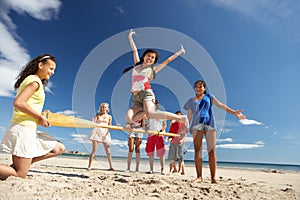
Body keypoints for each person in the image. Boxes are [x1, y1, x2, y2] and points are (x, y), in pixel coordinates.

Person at [0, 54, 65, 180]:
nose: (52, 73)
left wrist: (41, 115)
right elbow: (19, 103)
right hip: (23, 129)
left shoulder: (32, 80)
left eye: (53, 70)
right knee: (20, 174)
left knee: (58, 148)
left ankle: (19, 166)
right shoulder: (35, 82)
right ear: (40, 65)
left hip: (28, 128)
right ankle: (18, 168)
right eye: (50, 68)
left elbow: (27, 105)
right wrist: (40, 118)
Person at [184, 80, 246, 184]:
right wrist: (185, 127)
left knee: (212, 152)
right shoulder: (191, 100)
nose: (198, 88)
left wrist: (233, 112)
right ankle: (199, 177)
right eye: (197, 86)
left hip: (210, 125)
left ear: (204, 88)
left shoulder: (209, 97)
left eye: (201, 86)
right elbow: (189, 115)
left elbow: (221, 105)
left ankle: (213, 178)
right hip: (196, 126)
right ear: (194, 88)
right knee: (197, 151)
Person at [124, 29, 188, 125]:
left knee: (150, 113)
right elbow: (134, 50)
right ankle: (134, 124)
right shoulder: (137, 65)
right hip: (136, 97)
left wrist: (180, 51)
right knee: (129, 116)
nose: (150, 58)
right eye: (148, 56)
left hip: (146, 93)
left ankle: (180, 118)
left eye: (152, 57)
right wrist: (130, 37)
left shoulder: (152, 70)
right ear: (144, 57)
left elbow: (167, 61)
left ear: (154, 61)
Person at [88, 103, 115, 171]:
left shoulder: (109, 116)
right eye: (102, 107)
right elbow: (93, 122)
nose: (103, 108)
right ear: (101, 108)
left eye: (105, 107)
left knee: (108, 151)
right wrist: (94, 119)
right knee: (94, 150)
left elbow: (110, 126)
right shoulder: (98, 115)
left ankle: (111, 166)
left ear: (107, 108)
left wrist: (116, 126)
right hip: (97, 132)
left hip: (105, 133)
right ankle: (89, 166)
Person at [145, 100, 167, 175]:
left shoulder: (160, 113)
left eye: (154, 104)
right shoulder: (148, 115)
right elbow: (146, 125)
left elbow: (164, 125)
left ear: (157, 105)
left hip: (159, 135)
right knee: (150, 153)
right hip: (151, 135)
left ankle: (163, 169)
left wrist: (161, 131)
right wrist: (147, 130)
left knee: (161, 153)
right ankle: (151, 169)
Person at [167, 111, 187, 175]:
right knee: (172, 157)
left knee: (180, 157)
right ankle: (175, 170)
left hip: (180, 142)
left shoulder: (183, 124)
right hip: (173, 141)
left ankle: (180, 171)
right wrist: (169, 137)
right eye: (176, 116)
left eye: (179, 116)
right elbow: (171, 133)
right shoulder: (173, 124)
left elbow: (185, 133)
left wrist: (183, 140)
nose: (178, 117)